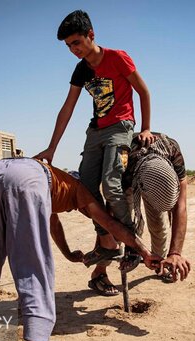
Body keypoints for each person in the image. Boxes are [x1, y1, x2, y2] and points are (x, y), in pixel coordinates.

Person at [0, 158, 161, 341]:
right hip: (25, 180)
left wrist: (68, 254)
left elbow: (53, 225)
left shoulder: (56, 183)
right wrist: (145, 252)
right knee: (32, 260)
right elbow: (110, 224)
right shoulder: (79, 191)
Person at [35, 10, 155, 259]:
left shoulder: (117, 58)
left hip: (121, 126)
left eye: (76, 42)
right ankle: (107, 239)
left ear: (91, 35)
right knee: (86, 189)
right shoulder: (81, 70)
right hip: (95, 131)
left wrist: (145, 128)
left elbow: (143, 91)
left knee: (111, 186)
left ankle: (131, 242)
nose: (73, 49)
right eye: (68, 46)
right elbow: (67, 107)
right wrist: (51, 148)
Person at [85, 132, 192, 295]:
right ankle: (99, 273)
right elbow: (110, 216)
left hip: (151, 175)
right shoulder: (122, 160)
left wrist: (175, 252)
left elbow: (181, 206)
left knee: (158, 225)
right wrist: (132, 247)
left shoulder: (172, 151)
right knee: (120, 230)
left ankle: (162, 263)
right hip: (129, 175)